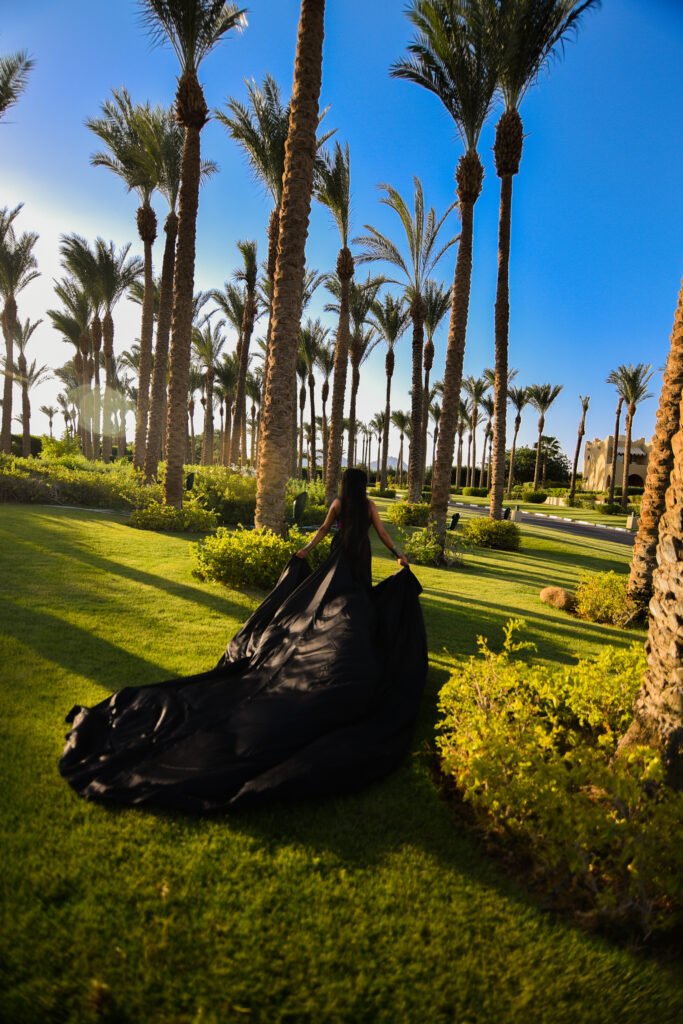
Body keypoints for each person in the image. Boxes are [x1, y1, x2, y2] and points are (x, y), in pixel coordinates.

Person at [59, 471, 427, 814]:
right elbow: (379, 534)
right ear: (363, 485)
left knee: (337, 605)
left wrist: (311, 550)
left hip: (345, 562)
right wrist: (393, 555)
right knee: (346, 607)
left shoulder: (341, 504)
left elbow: (332, 533)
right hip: (355, 562)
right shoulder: (364, 506)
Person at [295, 468, 409, 583]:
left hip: (341, 546)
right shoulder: (369, 506)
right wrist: (398, 554)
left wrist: (306, 549)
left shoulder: (338, 504)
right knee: (360, 585)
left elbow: (324, 529)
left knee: (336, 584)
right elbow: (382, 533)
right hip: (361, 548)